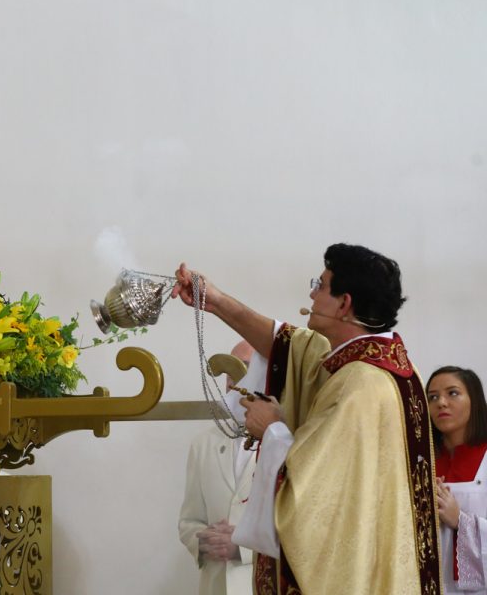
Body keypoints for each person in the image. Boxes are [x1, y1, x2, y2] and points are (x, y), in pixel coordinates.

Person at [171, 243, 441, 595]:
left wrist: (271, 429)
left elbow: (316, 497)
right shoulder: (379, 363)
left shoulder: (359, 386)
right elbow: (287, 345)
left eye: (321, 285)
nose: (312, 294)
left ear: (344, 304)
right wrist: (215, 300)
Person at [178, 340, 257, 595]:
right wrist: (204, 542)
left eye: (243, 368)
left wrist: (242, 548)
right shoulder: (203, 444)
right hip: (215, 586)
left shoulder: (290, 442)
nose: (233, 381)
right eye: (228, 372)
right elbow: (189, 521)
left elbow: (301, 532)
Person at [427, 366, 487, 594]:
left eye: (452, 393)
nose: (441, 403)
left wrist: (460, 521)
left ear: (475, 400)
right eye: (433, 397)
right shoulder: (422, 462)